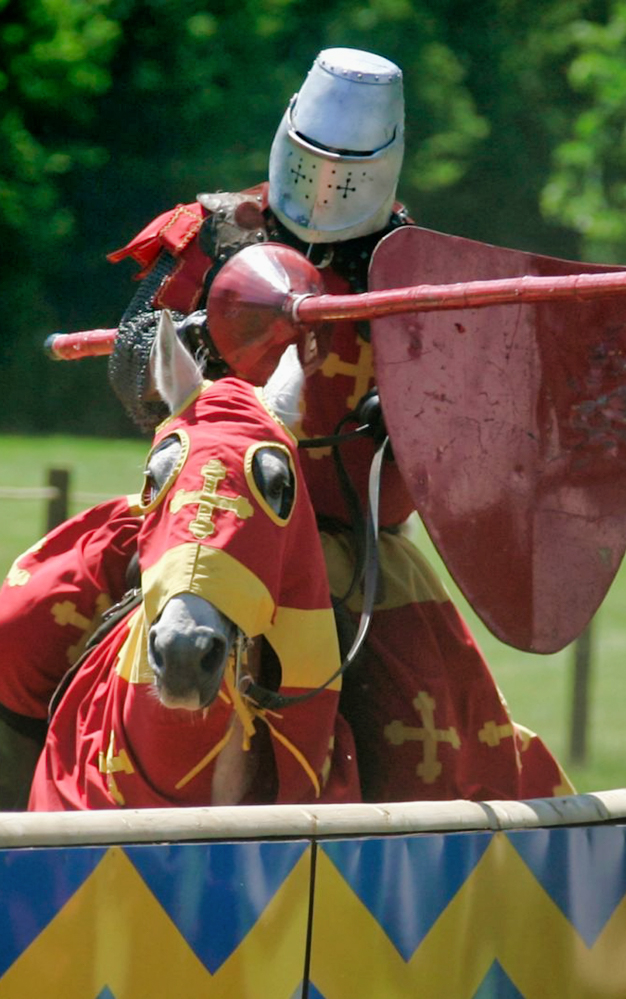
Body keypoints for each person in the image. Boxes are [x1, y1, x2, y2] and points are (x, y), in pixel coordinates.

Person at [0, 47, 571, 806]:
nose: (328, 181)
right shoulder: (215, 232)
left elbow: (469, 427)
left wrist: (408, 421)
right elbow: (136, 366)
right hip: (195, 515)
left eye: (350, 165)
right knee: (22, 622)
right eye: (315, 159)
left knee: (434, 729)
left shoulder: (412, 273)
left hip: (339, 542)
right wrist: (185, 339)